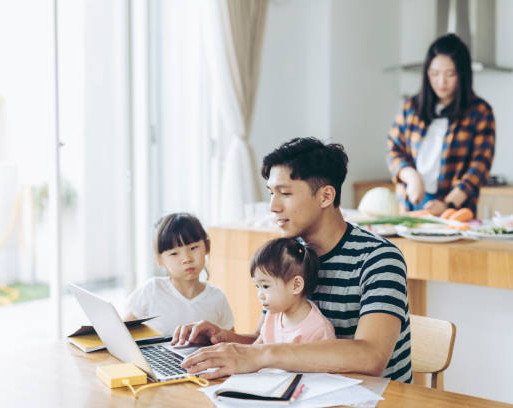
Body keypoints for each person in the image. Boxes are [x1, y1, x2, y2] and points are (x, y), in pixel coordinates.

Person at [171, 137, 412, 383]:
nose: (273, 207)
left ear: (326, 196)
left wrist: (260, 354)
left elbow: (370, 356)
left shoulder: (379, 259)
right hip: (309, 395)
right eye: (271, 194)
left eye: (284, 193)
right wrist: (222, 339)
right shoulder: (286, 255)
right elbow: (264, 341)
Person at [387, 33, 495, 216]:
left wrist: (448, 204)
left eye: (450, 74)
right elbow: (394, 151)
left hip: (455, 208)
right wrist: (412, 178)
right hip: (411, 203)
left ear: (462, 74)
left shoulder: (480, 112)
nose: (441, 82)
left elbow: (479, 167)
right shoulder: (410, 108)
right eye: (434, 73)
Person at [124, 213, 234, 336]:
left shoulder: (217, 298)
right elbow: (122, 331)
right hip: (159, 354)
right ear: (160, 261)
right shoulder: (152, 290)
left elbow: (231, 342)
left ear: (207, 247)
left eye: (193, 248)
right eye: (174, 254)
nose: (186, 259)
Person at [250, 238, 335, 344]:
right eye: (257, 286)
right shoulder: (273, 315)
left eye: (266, 286)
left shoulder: (318, 330)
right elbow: (256, 350)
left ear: (296, 285)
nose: (260, 295)